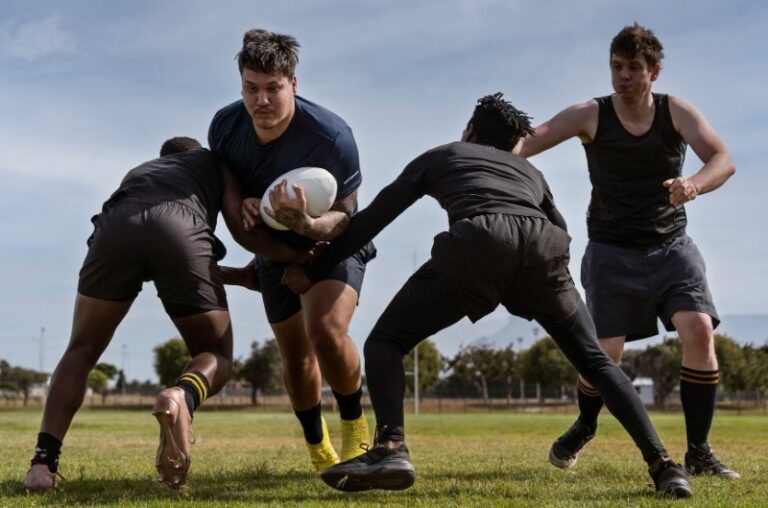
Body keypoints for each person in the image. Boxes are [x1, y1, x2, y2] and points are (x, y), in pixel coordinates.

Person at [282, 93, 692, 497]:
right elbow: (560, 226)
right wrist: (537, 283)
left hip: (481, 240)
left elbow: (371, 220)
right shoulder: (530, 173)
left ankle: (390, 448)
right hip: (545, 247)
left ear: (471, 130)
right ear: (514, 144)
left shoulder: (445, 154)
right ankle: (664, 466)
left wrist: (312, 267)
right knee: (598, 363)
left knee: (386, 343)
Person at [514, 23, 738, 479]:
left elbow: (722, 159)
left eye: (634, 68)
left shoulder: (676, 111)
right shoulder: (590, 115)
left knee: (698, 331)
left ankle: (698, 452)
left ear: (654, 71)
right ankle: (585, 423)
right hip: (611, 252)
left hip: (672, 246)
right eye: (617, 67)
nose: (623, 76)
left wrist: (692, 184)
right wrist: (482, 155)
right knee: (605, 355)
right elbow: (529, 141)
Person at [23, 137, 243, 491]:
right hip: (180, 227)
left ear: (164, 158)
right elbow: (233, 230)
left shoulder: (141, 171)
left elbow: (148, 242)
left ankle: (41, 464)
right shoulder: (212, 161)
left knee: (80, 350)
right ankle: (181, 397)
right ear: (196, 151)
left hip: (116, 225)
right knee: (215, 353)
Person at [208, 28, 374, 471]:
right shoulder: (225, 127)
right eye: (251, 88)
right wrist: (247, 205)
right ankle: (318, 445)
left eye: (273, 89)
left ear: (293, 85)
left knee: (324, 330)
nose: (261, 101)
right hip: (273, 247)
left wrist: (309, 225)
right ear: (241, 83)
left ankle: (357, 430)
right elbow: (234, 210)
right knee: (296, 358)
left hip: (334, 240)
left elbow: (345, 213)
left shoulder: (332, 136)